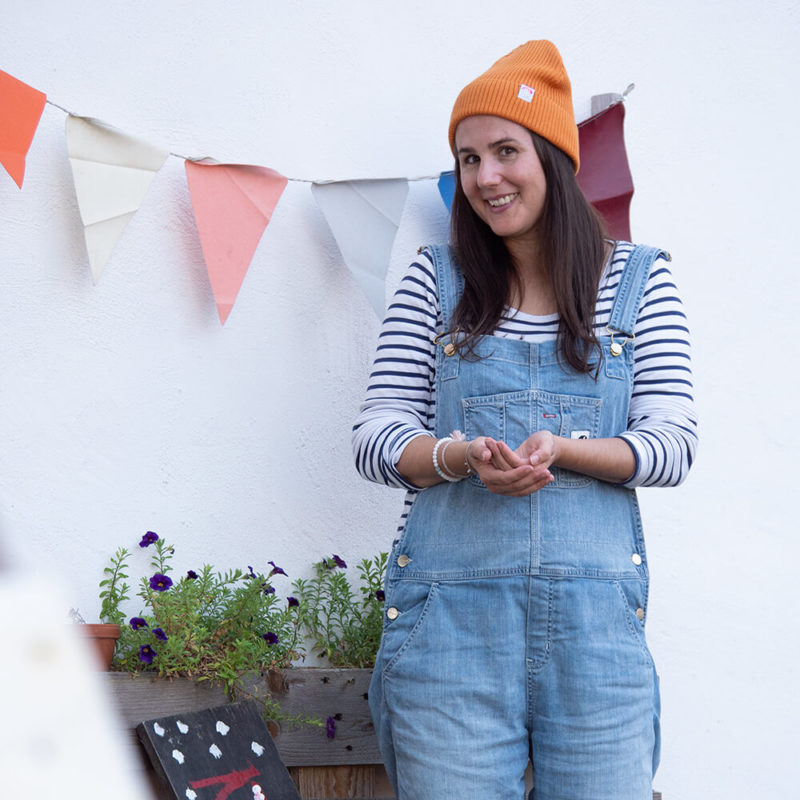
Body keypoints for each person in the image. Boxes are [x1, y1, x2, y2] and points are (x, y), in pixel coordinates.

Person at [352, 40, 697, 800]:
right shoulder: (433, 282)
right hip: (448, 641)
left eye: (505, 151)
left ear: (554, 159)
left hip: (597, 646)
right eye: (468, 158)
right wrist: (458, 456)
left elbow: (672, 446)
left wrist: (566, 452)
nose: (485, 177)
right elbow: (377, 436)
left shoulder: (640, 282)